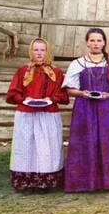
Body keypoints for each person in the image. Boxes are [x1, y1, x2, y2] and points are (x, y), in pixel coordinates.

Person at [62, 28, 109, 192]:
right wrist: (82, 93)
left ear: (104, 42)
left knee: (107, 141)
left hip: (106, 107)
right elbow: (69, 89)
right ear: (87, 42)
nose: (95, 44)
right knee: (85, 140)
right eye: (92, 40)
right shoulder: (77, 63)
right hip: (84, 107)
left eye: (99, 40)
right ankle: (82, 183)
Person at [6, 38, 69, 195]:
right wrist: (24, 100)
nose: (39, 53)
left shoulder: (56, 73)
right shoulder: (23, 71)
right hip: (26, 115)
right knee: (26, 147)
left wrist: (50, 99)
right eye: (36, 50)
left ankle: (45, 182)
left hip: (48, 115)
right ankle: (26, 182)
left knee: (47, 147)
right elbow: (13, 92)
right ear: (31, 51)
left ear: (47, 52)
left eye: (43, 50)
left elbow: (62, 94)